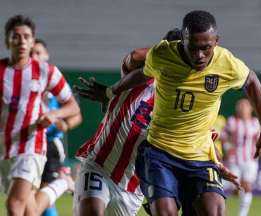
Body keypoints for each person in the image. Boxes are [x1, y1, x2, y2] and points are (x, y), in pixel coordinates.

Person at [101, 10, 261, 216]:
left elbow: (252, 81)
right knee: (165, 212)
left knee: (213, 211)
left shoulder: (227, 63)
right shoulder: (163, 54)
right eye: (193, 48)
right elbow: (141, 73)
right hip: (160, 153)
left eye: (206, 48)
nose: (199, 55)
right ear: (183, 39)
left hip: (200, 158)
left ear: (216, 41)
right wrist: (111, 91)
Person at [73, 29, 239, 216]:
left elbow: (203, 141)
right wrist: (166, 53)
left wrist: (217, 163)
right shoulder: (139, 77)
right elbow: (135, 55)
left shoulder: (190, 101)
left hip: (132, 187)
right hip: (100, 165)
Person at [0, 15, 82, 216]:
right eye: (16, 36)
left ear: (32, 40)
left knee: (14, 205)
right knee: (31, 211)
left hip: (32, 146)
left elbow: (73, 107)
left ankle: (61, 181)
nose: (21, 41)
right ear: (7, 40)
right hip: (5, 147)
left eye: (26, 36)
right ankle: (63, 183)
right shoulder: (1, 71)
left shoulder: (46, 71)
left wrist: (54, 114)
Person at [31, 38, 77, 216]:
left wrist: (61, 121)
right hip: (25, 146)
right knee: (31, 202)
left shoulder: (54, 84)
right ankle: (64, 182)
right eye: (31, 53)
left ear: (46, 55)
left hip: (49, 146)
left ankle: (64, 182)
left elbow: (76, 113)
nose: (34, 56)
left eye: (38, 52)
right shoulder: (23, 82)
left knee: (34, 205)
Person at [221, 98, 260, 216]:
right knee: (236, 189)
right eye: (240, 105)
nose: (242, 108)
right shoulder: (232, 121)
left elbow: (260, 140)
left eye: (245, 105)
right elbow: (223, 136)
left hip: (250, 160)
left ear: (251, 108)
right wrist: (228, 148)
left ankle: (242, 214)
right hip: (234, 160)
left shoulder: (255, 122)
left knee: (247, 186)